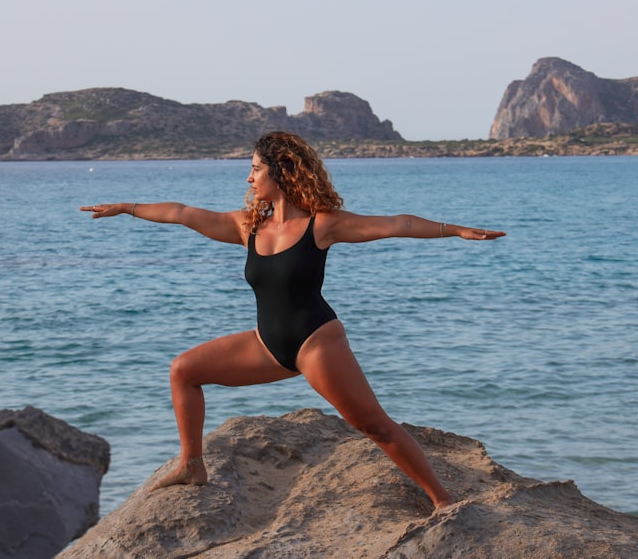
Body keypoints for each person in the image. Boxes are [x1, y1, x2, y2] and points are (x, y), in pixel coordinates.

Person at [81, 131, 505, 509]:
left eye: (254, 169)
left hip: (316, 342)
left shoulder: (321, 225)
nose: (249, 179)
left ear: (280, 172)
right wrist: (128, 207)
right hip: (267, 344)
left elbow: (396, 224)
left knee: (375, 426)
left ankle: (444, 500)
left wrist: (455, 230)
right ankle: (192, 465)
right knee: (184, 370)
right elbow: (181, 212)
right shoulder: (246, 226)